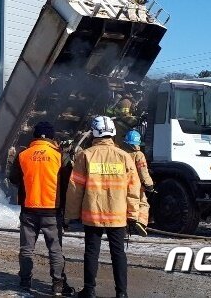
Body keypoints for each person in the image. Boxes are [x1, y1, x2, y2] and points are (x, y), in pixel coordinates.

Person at [65, 116, 141, 298]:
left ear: (94, 133)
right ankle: (121, 293)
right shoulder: (124, 157)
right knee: (118, 253)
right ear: (113, 133)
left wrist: (70, 215)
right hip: (118, 215)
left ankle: (89, 291)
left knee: (91, 252)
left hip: (93, 213)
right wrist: (133, 214)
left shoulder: (86, 155)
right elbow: (134, 187)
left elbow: (75, 188)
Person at [8, 121, 75, 296]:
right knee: (54, 249)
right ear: (52, 137)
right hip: (52, 210)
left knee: (27, 248)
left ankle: (24, 281)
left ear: (34, 136)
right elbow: (69, 182)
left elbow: (13, 179)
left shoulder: (23, 155)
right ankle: (58, 284)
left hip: (29, 209)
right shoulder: (59, 155)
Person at [120, 129, 154, 236]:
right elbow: (143, 172)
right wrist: (149, 185)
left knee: (123, 206)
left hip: (120, 185)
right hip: (135, 186)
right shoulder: (139, 155)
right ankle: (141, 222)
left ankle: (123, 228)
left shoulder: (120, 153)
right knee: (143, 204)